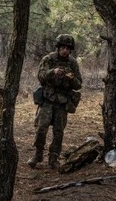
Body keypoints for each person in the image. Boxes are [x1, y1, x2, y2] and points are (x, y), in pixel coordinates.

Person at [28, 34, 83, 170]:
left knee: (59, 131)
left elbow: (78, 84)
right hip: (48, 99)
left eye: (67, 48)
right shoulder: (48, 59)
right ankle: (38, 154)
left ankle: (53, 158)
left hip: (62, 101)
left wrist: (70, 78)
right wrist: (53, 72)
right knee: (41, 128)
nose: (64, 50)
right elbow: (40, 77)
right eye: (62, 47)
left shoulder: (72, 63)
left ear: (70, 50)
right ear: (58, 48)